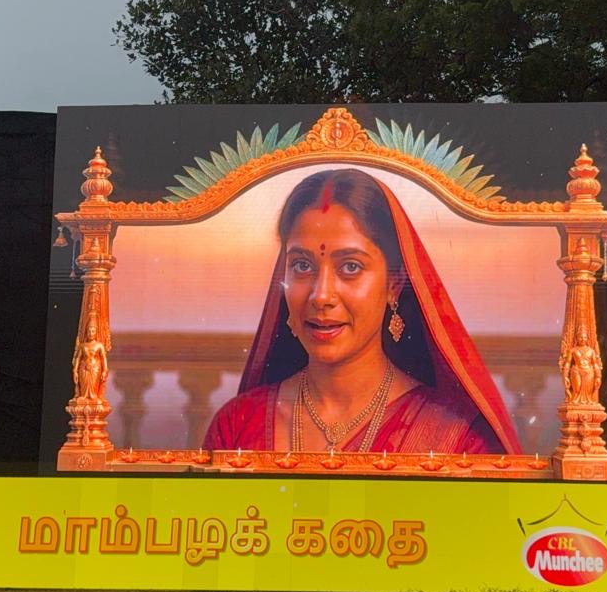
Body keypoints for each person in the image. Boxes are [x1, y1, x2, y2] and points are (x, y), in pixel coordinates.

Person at [202, 169, 522, 455]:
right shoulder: (237, 427)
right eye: (302, 265)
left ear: (394, 283)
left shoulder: (458, 441)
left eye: (350, 267)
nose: (321, 295)